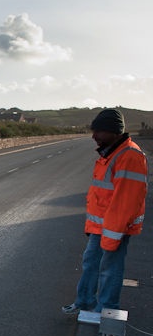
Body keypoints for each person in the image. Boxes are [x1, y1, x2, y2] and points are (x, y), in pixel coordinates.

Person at [62, 108, 148, 315]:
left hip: (114, 229)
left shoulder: (129, 156)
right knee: (91, 263)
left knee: (109, 270)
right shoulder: (111, 152)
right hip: (101, 226)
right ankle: (84, 303)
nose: (94, 136)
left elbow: (124, 203)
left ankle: (106, 311)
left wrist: (111, 237)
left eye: (99, 131)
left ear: (115, 132)